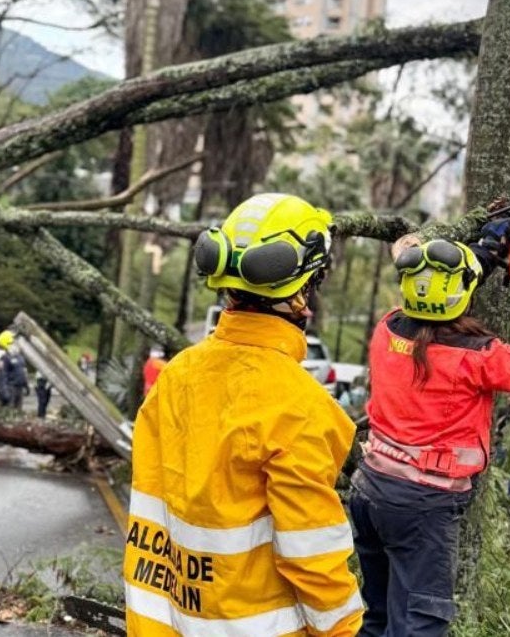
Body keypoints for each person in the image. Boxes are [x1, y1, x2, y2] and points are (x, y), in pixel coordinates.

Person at [124, 193, 362, 636]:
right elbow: (311, 558)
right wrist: (345, 630)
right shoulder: (301, 406)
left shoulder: (176, 377)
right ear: (303, 295)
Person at [349, 226, 510, 637]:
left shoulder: (387, 330)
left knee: (379, 616)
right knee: (421, 621)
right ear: (460, 295)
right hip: (423, 503)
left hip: (371, 491)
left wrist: (485, 251)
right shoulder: (477, 355)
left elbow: (435, 296)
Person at [0, 330, 28, 410]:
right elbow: (3, 376)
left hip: (19, 390)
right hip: (10, 388)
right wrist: (4, 392)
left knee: (18, 413)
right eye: (13, 341)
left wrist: (26, 386)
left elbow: (23, 372)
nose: (16, 343)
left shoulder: (19, 357)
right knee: (8, 413)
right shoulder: (5, 358)